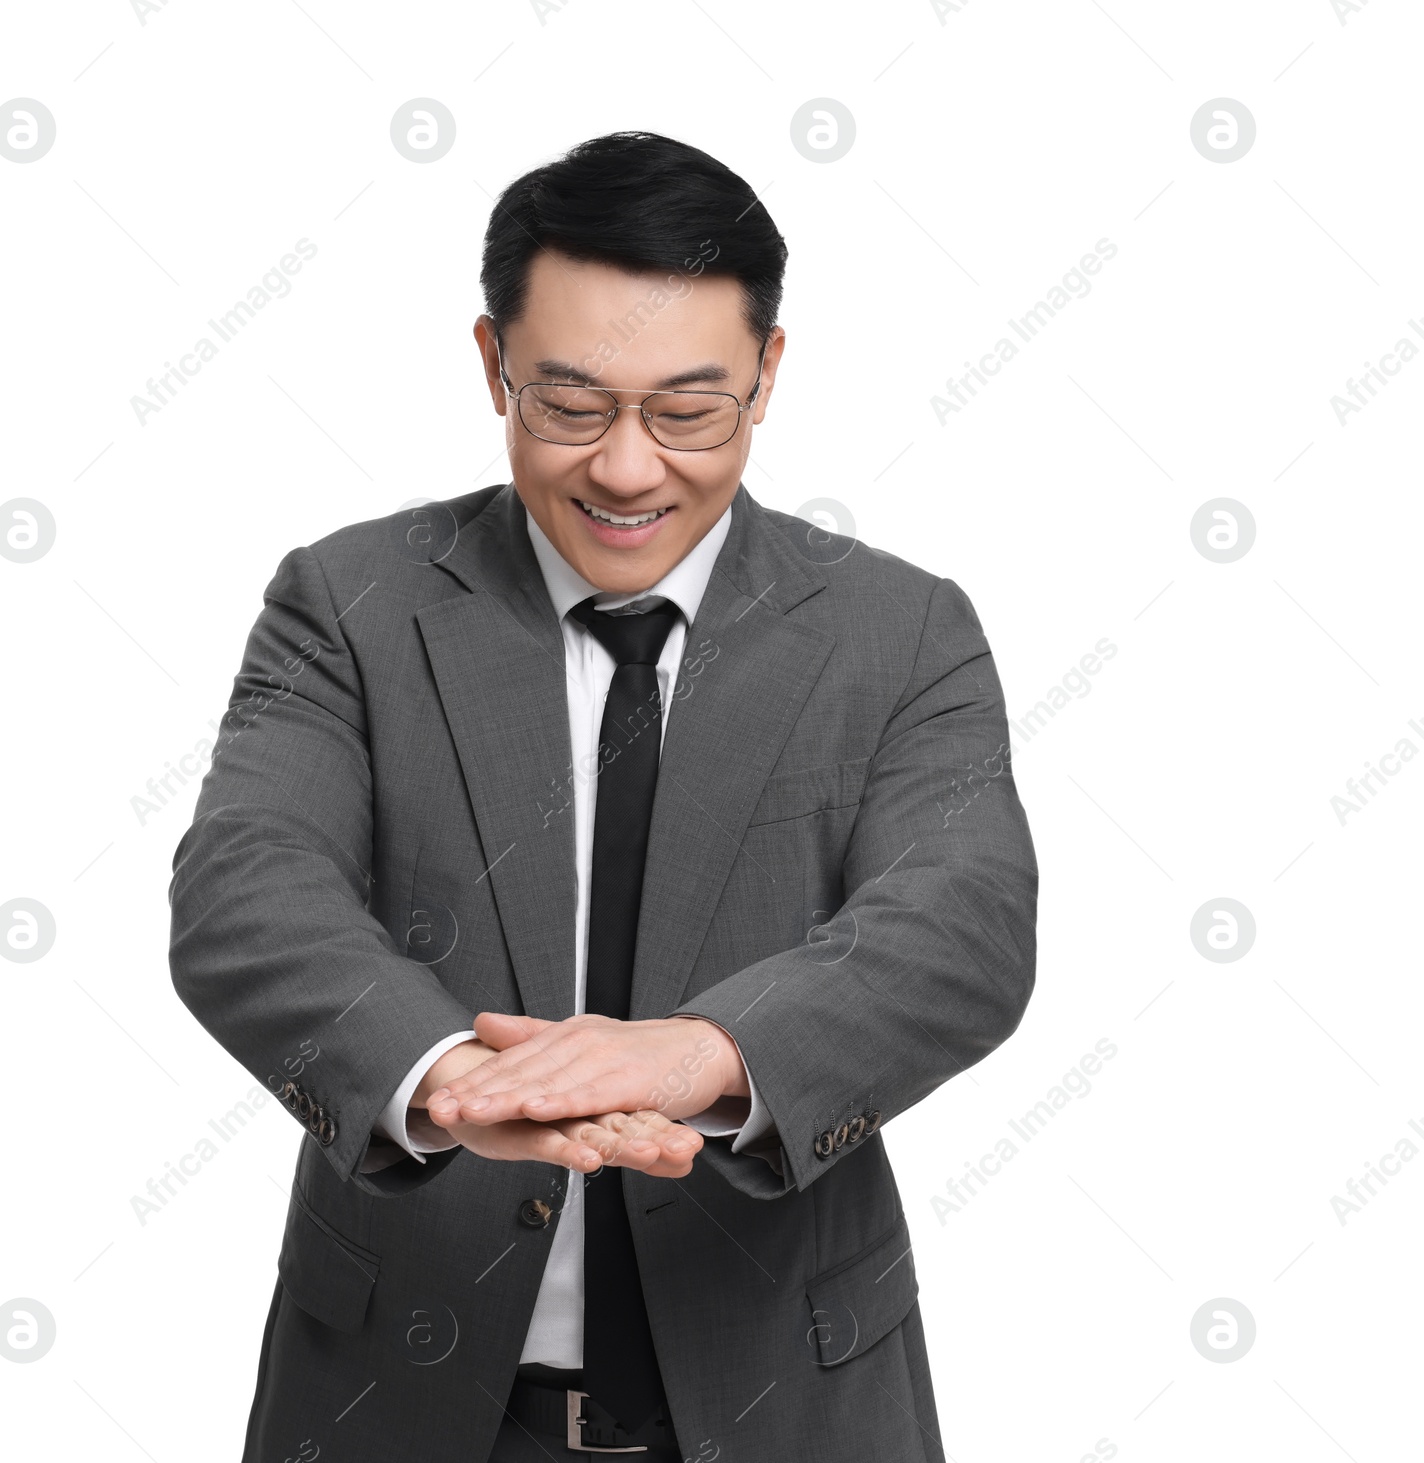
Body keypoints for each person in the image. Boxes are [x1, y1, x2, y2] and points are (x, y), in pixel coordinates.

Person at [168, 129, 1037, 1462]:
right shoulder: (347, 604)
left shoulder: (900, 632)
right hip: (400, 1407)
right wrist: (445, 1076)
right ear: (490, 366)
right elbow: (247, 885)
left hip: (788, 1403)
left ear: (769, 376)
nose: (628, 471)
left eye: (688, 411)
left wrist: (695, 1055)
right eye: (570, 406)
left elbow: (959, 928)